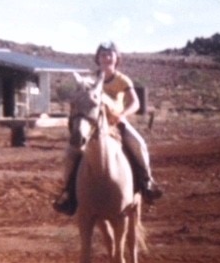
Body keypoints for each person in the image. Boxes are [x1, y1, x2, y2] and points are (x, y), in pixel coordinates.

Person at [53, 41, 163, 215]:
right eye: (103, 55)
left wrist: (122, 114)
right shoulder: (90, 80)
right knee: (70, 153)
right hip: (94, 124)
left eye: (110, 54)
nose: (106, 58)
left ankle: (146, 182)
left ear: (116, 58)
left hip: (116, 122)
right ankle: (68, 192)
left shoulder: (122, 79)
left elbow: (135, 103)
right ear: (98, 58)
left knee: (138, 143)